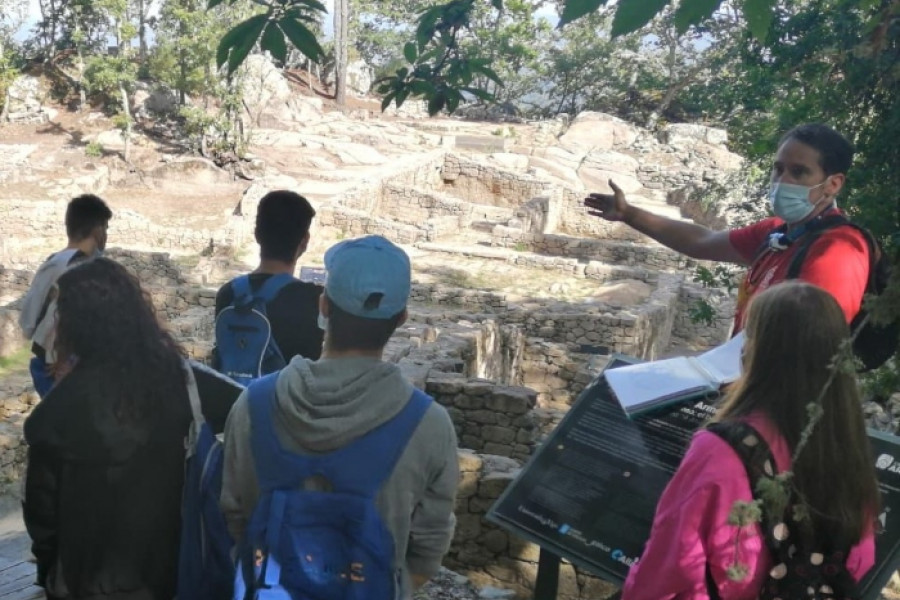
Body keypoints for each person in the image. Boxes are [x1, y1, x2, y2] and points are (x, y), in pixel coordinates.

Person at [221, 234, 459, 599]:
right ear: (401, 319)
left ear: (323, 307)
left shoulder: (253, 404)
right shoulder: (429, 425)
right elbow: (427, 552)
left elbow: (234, 515)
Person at [622, 281, 878, 599]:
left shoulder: (722, 449)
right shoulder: (844, 445)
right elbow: (860, 556)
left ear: (761, 352)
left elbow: (671, 565)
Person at [584, 123, 869, 333]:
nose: (783, 181)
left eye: (799, 172)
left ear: (832, 184)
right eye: (778, 169)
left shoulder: (838, 251)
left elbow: (814, 349)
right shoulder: (776, 233)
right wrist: (629, 213)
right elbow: (701, 242)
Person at [23, 258, 191, 600]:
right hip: (160, 572)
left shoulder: (63, 406)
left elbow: (42, 510)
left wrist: (50, 569)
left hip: (84, 578)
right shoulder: (174, 380)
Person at [212, 190, 324, 371]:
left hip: (233, 398)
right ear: (304, 241)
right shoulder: (315, 300)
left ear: (257, 234)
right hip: (285, 398)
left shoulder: (228, 293)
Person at [18, 194, 112, 397]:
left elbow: (27, 321)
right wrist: (65, 357)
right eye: (105, 228)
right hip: (69, 369)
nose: (106, 235)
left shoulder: (52, 263)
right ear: (97, 230)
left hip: (44, 365)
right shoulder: (86, 269)